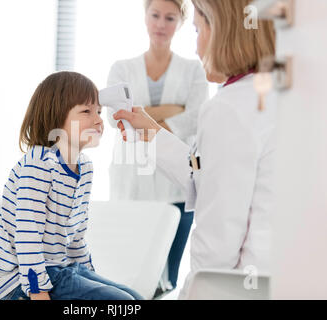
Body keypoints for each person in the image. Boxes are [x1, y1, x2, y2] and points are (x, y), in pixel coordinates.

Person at [113, 0, 276, 299]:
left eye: (198, 30)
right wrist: (149, 128)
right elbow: (199, 169)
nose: (198, 47)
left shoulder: (229, 109)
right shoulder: (268, 93)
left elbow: (217, 249)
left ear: (221, 31)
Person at [0, 71, 144, 300]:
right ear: (56, 117)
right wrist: (38, 294)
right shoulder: (38, 165)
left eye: (98, 111)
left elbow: (76, 237)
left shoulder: (85, 168)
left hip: (60, 268)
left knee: (134, 298)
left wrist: (89, 279)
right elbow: (27, 236)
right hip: (18, 280)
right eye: (86, 111)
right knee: (122, 303)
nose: (98, 120)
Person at [106, 0, 209, 293]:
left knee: (168, 280)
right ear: (145, 17)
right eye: (155, 15)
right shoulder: (121, 68)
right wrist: (171, 109)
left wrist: (143, 115)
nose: (161, 24)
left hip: (176, 184)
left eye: (170, 18)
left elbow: (195, 117)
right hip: (131, 181)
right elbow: (118, 119)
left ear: (181, 23)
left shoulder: (194, 70)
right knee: (130, 272)